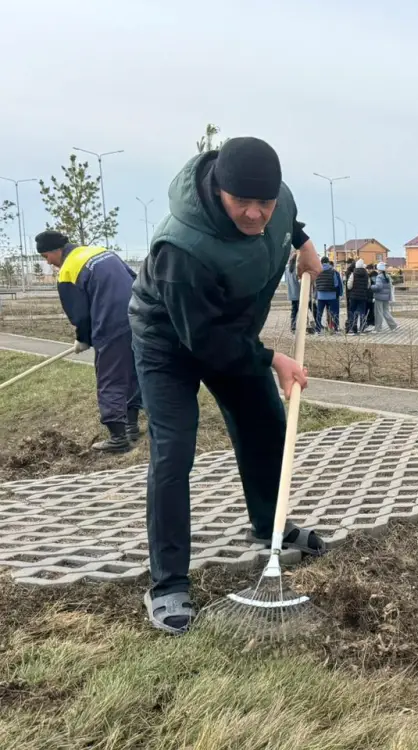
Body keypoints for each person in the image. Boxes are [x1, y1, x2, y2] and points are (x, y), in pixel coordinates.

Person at [129, 136, 326, 634]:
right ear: (219, 190)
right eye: (244, 203)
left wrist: (303, 246)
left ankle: (269, 526)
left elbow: (289, 222)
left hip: (229, 334)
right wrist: (273, 359)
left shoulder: (278, 202)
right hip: (169, 341)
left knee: (266, 425)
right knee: (174, 452)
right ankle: (169, 583)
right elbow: (206, 344)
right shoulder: (181, 248)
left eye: (266, 203)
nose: (257, 214)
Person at [35, 230, 143, 452]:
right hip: (136, 316)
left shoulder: (68, 271)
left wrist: (82, 338)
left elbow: (80, 314)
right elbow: (134, 278)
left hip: (111, 325)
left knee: (110, 377)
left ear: (55, 250)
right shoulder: (101, 252)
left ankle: (118, 438)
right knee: (131, 372)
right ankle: (131, 426)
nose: (49, 263)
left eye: (46, 257)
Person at [314, 256, 342, 332]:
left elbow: (315, 283)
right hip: (332, 296)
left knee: (319, 313)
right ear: (328, 262)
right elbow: (336, 284)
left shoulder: (318, 271)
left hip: (320, 296)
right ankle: (335, 328)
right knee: (334, 312)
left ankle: (318, 329)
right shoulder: (333, 272)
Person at [372, 262, 399, 332]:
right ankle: (393, 326)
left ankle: (378, 328)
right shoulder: (387, 276)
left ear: (379, 269)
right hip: (386, 297)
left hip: (379, 297)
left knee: (378, 313)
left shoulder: (379, 277)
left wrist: (371, 287)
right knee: (386, 312)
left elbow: (378, 287)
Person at [345, 258, 370, 335]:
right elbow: (368, 286)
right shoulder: (366, 274)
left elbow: (349, 285)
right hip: (363, 296)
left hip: (353, 296)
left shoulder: (353, 274)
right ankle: (362, 329)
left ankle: (353, 328)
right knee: (362, 312)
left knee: (352, 311)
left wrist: (352, 289)